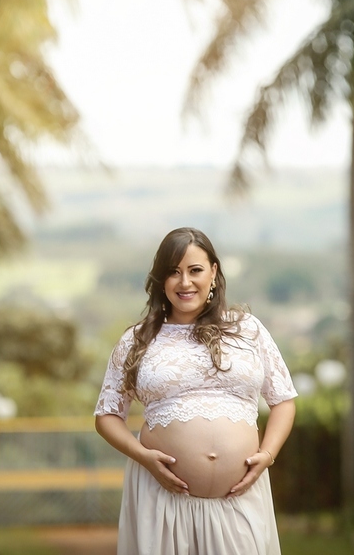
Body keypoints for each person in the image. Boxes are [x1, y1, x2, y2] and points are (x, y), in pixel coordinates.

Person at [94, 227, 297, 554]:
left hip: (239, 499)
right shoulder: (137, 340)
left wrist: (268, 455)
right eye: (173, 272)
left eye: (195, 270)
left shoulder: (247, 329)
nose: (185, 282)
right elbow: (106, 415)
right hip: (163, 500)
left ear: (213, 272)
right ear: (161, 280)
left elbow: (284, 400)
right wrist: (143, 458)